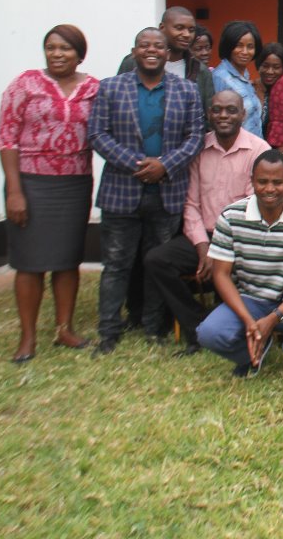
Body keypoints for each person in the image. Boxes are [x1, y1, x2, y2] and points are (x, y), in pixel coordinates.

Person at [89, 27, 204, 354]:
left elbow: (195, 137)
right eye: (145, 45)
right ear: (134, 51)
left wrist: (165, 165)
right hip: (122, 190)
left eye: (159, 46)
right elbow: (98, 134)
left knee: (156, 261)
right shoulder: (110, 88)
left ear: (168, 54)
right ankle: (109, 330)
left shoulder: (187, 91)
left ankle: (154, 326)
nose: (152, 50)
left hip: (168, 191)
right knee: (116, 264)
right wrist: (137, 163)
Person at [0, 24, 100, 363]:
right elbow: (7, 138)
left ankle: (64, 329)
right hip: (30, 182)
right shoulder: (25, 84)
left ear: (79, 54)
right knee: (30, 263)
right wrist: (15, 190)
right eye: (51, 47)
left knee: (68, 260)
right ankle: (27, 338)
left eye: (65, 48)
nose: (57, 54)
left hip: (74, 183)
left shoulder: (93, 89)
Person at [144, 90, 270, 356]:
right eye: (217, 110)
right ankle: (197, 325)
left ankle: (236, 327)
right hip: (203, 237)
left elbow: (253, 206)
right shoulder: (198, 148)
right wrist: (204, 247)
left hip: (242, 239)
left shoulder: (259, 150)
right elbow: (191, 204)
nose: (223, 115)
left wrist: (219, 250)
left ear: (243, 114)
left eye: (231, 110)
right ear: (209, 114)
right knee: (157, 260)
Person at [196, 150, 283, 382]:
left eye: (277, 182)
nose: (270, 188)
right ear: (252, 182)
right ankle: (250, 356)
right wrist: (250, 322)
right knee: (208, 334)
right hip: (249, 300)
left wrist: (273, 318)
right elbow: (221, 274)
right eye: (262, 181)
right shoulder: (231, 216)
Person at [117, 7, 214, 118]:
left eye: (191, 30)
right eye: (179, 28)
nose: (187, 34)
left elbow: (207, 117)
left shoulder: (200, 70)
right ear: (162, 28)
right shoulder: (132, 62)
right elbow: (117, 104)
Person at [211, 20, 264, 139]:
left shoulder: (245, 76)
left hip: (255, 149)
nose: (245, 52)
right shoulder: (221, 78)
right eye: (239, 45)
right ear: (229, 46)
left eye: (250, 47)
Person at [253, 42, 283, 137]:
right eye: (265, 66)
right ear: (258, 65)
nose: (270, 71)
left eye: (276, 67)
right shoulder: (250, 90)